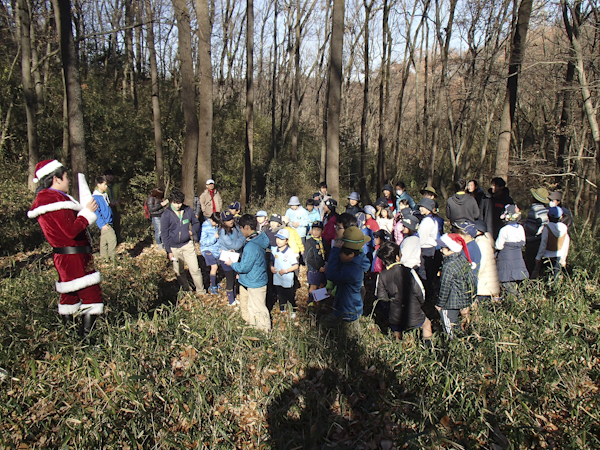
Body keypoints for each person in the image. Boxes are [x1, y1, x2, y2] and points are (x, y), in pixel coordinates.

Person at [28, 160, 102, 336]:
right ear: (56, 178)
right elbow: (70, 231)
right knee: (92, 297)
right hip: (74, 257)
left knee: (70, 296)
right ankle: (87, 340)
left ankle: (69, 337)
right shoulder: (55, 200)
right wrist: (87, 213)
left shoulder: (48, 199)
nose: (68, 181)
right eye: (66, 177)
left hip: (66, 257)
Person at [376, 241, 432, 342]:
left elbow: (381, 298)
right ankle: (428, 346)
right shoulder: (408, 271)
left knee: (397, 332)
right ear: (398, 256)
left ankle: (398, 348)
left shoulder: (381, 276)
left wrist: (388, 312)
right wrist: (420, 303)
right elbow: (419, 291)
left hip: (394, 314)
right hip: (412, 310)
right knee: (426, 324)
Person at [226, 214, 271, 333]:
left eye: (241, 228)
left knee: (258, 308)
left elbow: (245, 267)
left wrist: (232, 264)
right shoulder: (259, 237)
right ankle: (254, 326)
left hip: (255, 281)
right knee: (251, 306)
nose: (240, 231)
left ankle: (265, 331)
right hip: (255, 277)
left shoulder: (251, 245)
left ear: (246, 227)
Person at [325, 226, 372, 334]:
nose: (338, 256)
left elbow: (331, 274)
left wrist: (335, 251)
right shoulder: (358, 260)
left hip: (348, 311)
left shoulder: (352, 270)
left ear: (350, 255)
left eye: (340, 254)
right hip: (349, 307)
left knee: (350, 335)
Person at [161, 189, 206, 294]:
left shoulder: (188, 210)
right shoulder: (166, 215)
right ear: (171, 201)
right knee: (179, 271)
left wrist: (192, 232)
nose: (177, 205)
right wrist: (168, 251)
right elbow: (164, 234)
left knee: (195, 269)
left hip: (187, 245)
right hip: (174, 248)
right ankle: (186, 290)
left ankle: (201, 291)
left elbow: (195, 223)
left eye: (179, 202)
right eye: (175, 203)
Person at [435, 233, 477, 338]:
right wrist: (470, 299)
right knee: (460, 327)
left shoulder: (448, 266)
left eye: (443, 248)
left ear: (451, 249)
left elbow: (445, 287)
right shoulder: (463, 260)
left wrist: (440, 304)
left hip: (449, 303)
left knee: (450, 328)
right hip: (463, 300)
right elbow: (472, 281)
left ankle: (453, 345)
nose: (441, 250)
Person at [495, 205, 528, 298]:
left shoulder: (504, 230)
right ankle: (519, 298)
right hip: (518, 258)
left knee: (507, 282)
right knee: (515, 280)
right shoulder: (520, 228)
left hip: (506, 258)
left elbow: (499, 245)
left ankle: (515, 298)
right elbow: (523, 242)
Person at [533, 206, 570, 279]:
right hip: (559, 257)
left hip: (547, 257)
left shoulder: (547, 228)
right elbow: (566, 244)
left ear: (548, 216)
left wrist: (538, 257)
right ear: (560, 217)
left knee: (545, 278)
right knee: (556, 278)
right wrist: (564, 258)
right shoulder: (564, 228)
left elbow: (543, 244)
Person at [270, 229, 300, 317]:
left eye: (282, 239)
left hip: (287, 279)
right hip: (277, 278)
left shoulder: (290, 252)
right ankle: (282, 309)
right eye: (278, 238)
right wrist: (271, 267)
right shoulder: (274, 250)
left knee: (290, 295)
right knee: (280, 294)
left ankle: (293, 309)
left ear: (287, 241)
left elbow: (296, 266)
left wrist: (285, 270)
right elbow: (271, 261)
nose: (279, 241)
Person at [219, 211, 245, 305]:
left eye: (231, 218)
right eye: (228, 220)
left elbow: (242, 236)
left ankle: (234, 297)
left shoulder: (236, 227)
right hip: (227, 258)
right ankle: (231, 301)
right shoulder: (223, 232)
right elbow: (234, 245)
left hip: (236, 257)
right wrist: (241, 241)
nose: (231, 221)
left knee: (235, 278)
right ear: (223, 222)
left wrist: (241, 240)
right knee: (230, 279)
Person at [416, 198, 440, 301]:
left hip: (426, 249)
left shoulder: (427, 222)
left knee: (424, 274)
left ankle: (425, 296)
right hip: (430, 249)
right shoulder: (431, 220)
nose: (421, 209)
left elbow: (421, 239)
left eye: (423, 207)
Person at [524, 187, 549, 274]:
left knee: (530, 265)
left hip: (533, 241)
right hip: (542, 240)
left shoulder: (533, 211)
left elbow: (531, 229)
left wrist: (524, 225)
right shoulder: (546, 211)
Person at [473, 220, 500, 301]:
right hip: (489, 282)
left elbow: (482, 262)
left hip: (484, 283)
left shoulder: (481, 243)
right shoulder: (487, 240)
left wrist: (475, 275)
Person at [92, 176, 117, 259]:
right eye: (104, 184)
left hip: (108, 220)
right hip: (104, 222)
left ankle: (104, 258)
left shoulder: (104, 195)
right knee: (112, 239)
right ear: (98, 185)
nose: (106, 186)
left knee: (104, 241)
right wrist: (102, 224)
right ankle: (112, 257)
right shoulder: (95, 197)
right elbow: (97, 212)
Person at [200, 213, 222, 295]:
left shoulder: (217, 226)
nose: (216, 225)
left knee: (217, 267)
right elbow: (203, 242)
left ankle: (214, 282)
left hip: (217, 250)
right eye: (215, 223)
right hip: (207, 249)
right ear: (212, 220)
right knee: (214, 267)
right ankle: (213, 286)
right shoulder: (205, 226)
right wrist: (214, 237)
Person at [305, 221, 327, 294]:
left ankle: (320, 302)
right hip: (313, 269)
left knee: (322, 285)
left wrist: (326, 264)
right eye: (314, 229)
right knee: (313, 286)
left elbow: (328, 253)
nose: (316, 232)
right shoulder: (309, 242)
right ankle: (311, 303)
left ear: (322, 231)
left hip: (324, 267)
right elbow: (309, 258)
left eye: (318, 230)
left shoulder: (324, 241)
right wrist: (318, 267)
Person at [104, 169, 122, 242]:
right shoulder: (102, 186)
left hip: (115, 208)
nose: (111, 177)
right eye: (109, 175)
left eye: (112, 175)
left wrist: (117, 201)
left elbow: (119, 195)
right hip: (107, 209)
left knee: (117, 224)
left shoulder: (115, 185)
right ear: (104, 176)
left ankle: (118, 240)